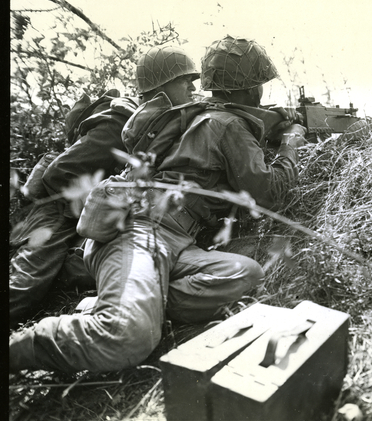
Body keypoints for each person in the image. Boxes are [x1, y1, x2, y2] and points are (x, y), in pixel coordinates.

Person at [9, 35, 306, 374]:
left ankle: (131, 299)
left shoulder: (202, 116)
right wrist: (291, 142)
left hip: (172, 239)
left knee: (244, 274)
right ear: (253, 88)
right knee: (124, 338)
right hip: (137, 233)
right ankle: (30, 343)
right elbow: (271, 192)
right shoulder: (225, 125)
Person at [9, 45, 200, 330]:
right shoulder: (118, 124)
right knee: (25, 285)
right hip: (57, 212)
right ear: (161, 86)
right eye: (184, 80)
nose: (192, 86)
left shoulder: (159, 120)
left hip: (96, 216)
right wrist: (103, 197)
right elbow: (58, 175)